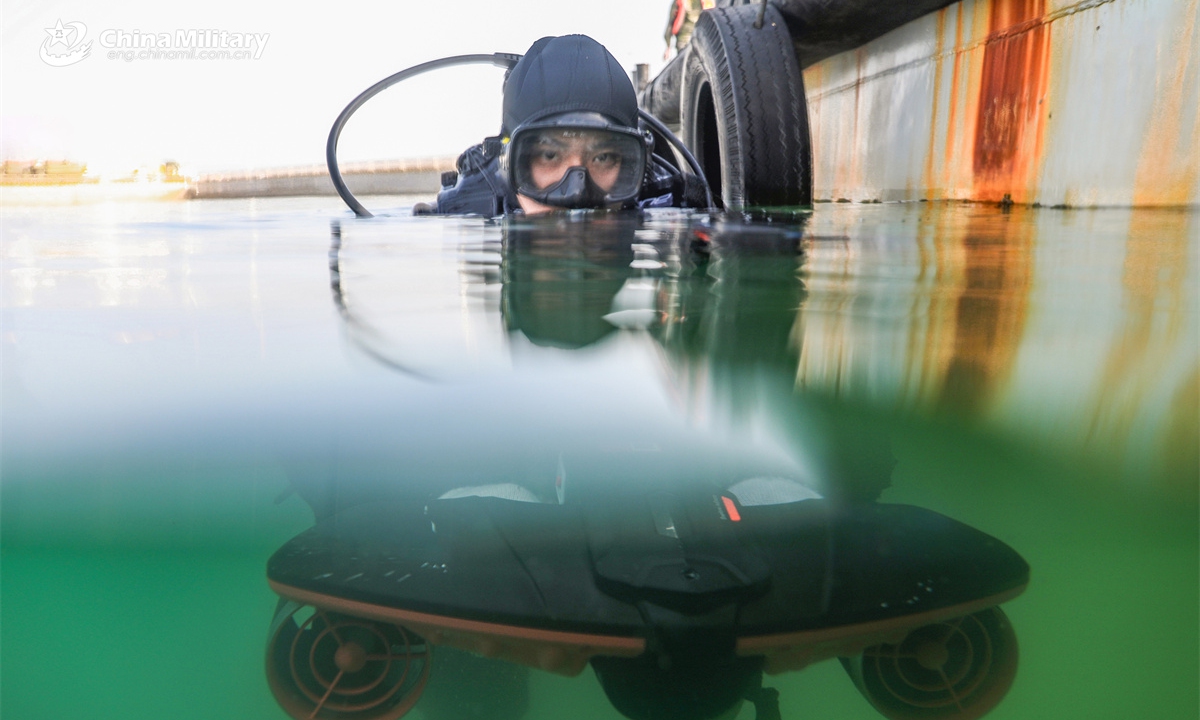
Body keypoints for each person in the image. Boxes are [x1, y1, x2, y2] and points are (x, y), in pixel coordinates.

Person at [427, 35, 704, 216]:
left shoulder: (669, 199)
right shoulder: (468, 207)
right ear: (509, 163)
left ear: (635, 168)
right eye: (549, 155)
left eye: (603, 157)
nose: (576, 193)